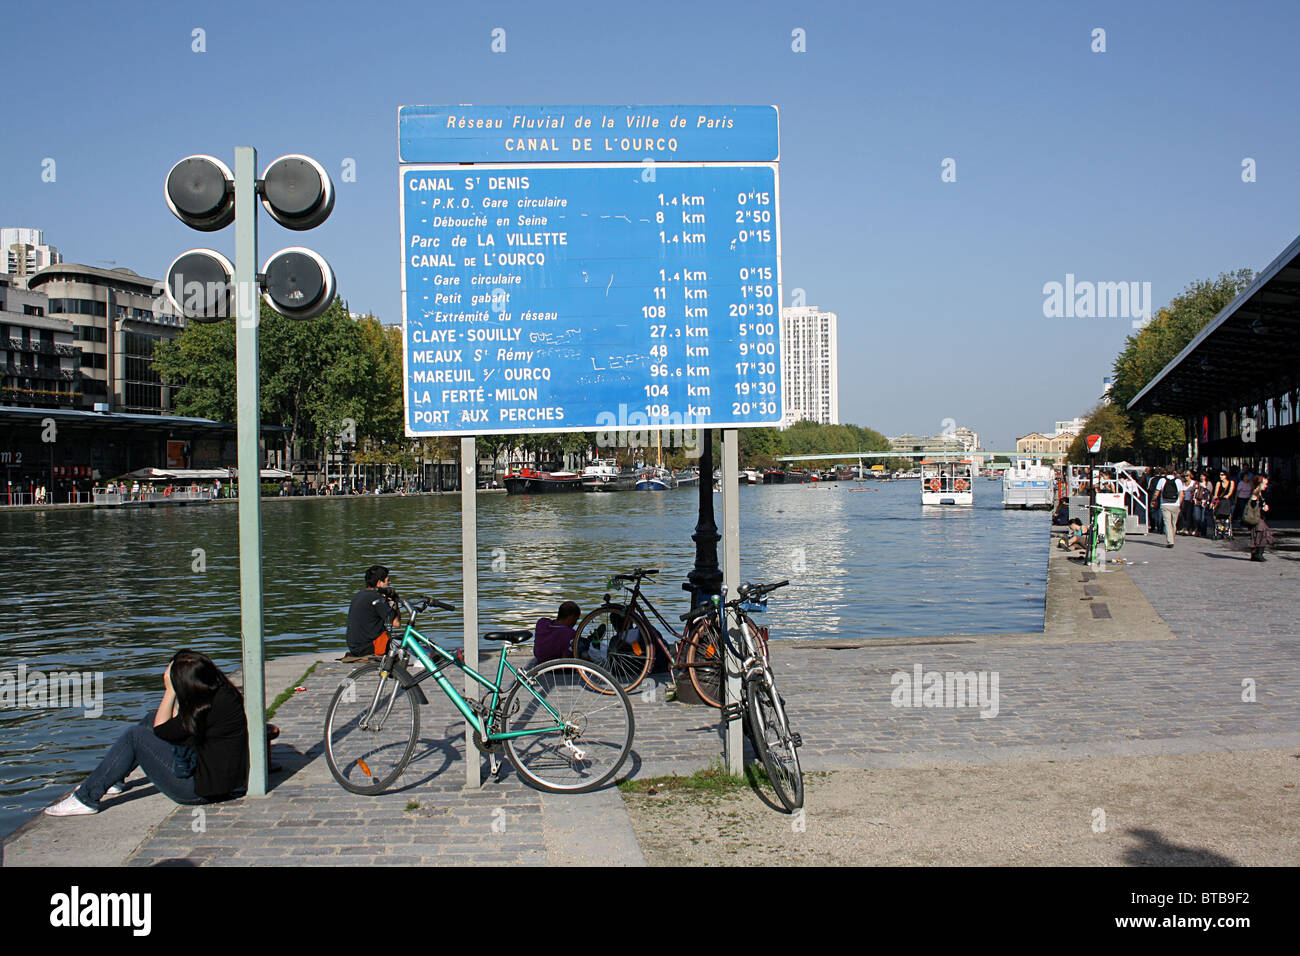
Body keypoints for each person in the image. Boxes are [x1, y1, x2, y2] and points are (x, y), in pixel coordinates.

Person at [44, 650, 249, 816]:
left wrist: (169, 691)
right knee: (150, 719)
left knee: (135, 736)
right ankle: (114, 778)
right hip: (221, 779)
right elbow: (175, 725)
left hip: (202, 790)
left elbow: (162, 730)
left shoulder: (207, 707)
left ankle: (86, 798)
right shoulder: (220, 693)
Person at [344, 565, 400, 663]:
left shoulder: (359, 595)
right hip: (369, 647)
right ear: (379, 583)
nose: (390, 583)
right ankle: (428, 659)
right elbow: (397, 624)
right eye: (388, 580)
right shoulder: (376, 598)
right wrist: (396, 603)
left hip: (355, 647)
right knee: (406, 641)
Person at [533, 601, 581, 665]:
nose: (575, 622)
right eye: (576, 619)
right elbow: (566, 660)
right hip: (555, 666)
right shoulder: (570, 633)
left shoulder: (541, 623)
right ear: (571, 617)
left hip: (540, 661)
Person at [1242, 476, 1274, 561]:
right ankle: (1258, 554)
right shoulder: (1255, 494)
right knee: (1262, 534)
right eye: (1264, 484)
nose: (1266, 486)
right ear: (1259, 484)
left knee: (1258, 535)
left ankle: (1256, 554)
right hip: (1257, 519)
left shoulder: (1258, 493)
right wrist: (1263, 507)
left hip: (1258, 518)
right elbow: (1253, 505)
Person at [1155, 468, 1184, 548]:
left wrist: (1153, 500)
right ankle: (1172, 538)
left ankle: (1170, 541)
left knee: (1167, 523)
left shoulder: (1162, 480)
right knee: (1173, 523)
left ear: (1165, 472)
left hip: (1165, 504)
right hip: (1175, 504)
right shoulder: (1178, 481)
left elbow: (1157, 492)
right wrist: (1179, 504)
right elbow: (1182, 494)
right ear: (1174, 472)